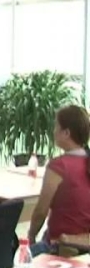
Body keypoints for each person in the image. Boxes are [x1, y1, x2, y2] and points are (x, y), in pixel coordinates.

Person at [28, 105, 90, 256]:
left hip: (60, 244)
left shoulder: (59, 166)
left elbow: (41, 211)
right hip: (85, 244)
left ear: (66, 133)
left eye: (56, 126)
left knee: (15, 259)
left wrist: (31, 235)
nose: (53, 131)